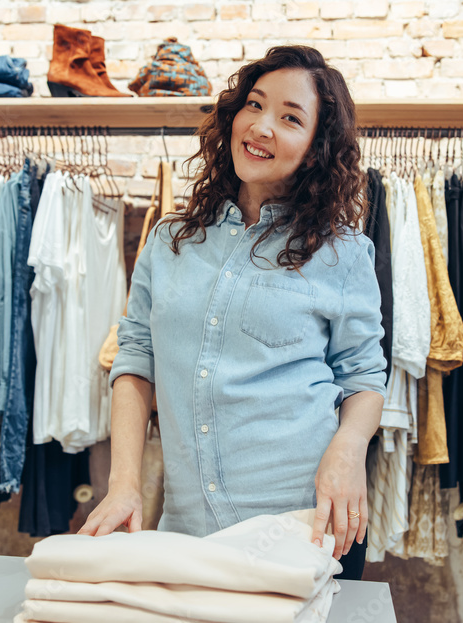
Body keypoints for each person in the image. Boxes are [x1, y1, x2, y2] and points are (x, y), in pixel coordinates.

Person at [79, 45, 387, 581]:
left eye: (291, 118)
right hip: (188, 525)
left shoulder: (343, 253)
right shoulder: (170, 240)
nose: (262, 126)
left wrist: (349, 448)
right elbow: (136, 357)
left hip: (305, 525)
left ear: (317, 147)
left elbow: (363, 376)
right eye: (254, 104)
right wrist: (124, 483)